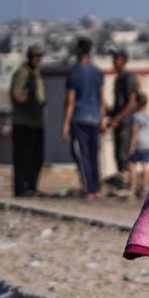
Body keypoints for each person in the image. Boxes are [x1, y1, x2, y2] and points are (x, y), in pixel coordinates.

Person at [62, 37, 105, 198]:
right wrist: (102, 120)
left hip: (79, 117)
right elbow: (102, 99)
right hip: (95, 118)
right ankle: (97, 188)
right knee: (94, 154)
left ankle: (89, 189)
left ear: (79, 50)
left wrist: (65, 124)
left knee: (82, 154)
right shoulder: (97, 72)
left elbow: (70, 101)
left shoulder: (74, 72)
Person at [9, 44, 46, 197]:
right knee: (23, 157)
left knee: (36, 157)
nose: (37, 59)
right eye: (35, 56)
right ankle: (21, 188)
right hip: (23, 122)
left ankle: (31, 186)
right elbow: (16, 96)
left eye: (39, 57)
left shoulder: (36, 74)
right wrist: (31, 103)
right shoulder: (22, 74)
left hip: (36, 121)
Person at [104, 48, 140, 187]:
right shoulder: (118, 78)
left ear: (123, 61)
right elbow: (118, 104)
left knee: (124, 155)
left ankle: (127, 185)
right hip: (119, 123)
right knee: (118, 155)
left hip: (126, 123)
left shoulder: (129, 77)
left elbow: (131, 103)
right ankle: (122, 184)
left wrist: (117, 119)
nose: (113, 62)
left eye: (116, 59)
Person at [127, 92, 149, 196]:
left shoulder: (136, 116)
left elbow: (135, 132)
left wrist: (131, 146)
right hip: (147, 143)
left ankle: (133, 186)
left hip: (138, 143)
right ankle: (145, 187)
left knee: (132, 164)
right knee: (145, 164)